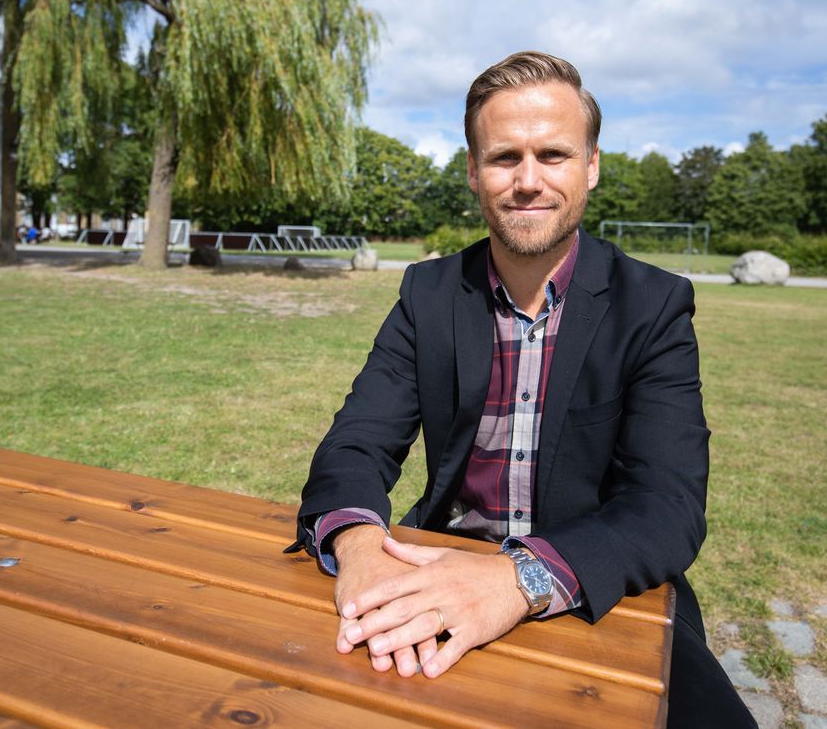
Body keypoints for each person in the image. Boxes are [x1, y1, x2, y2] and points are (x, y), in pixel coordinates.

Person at [291, 51, 752, 726]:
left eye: (554, 155)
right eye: (505, 157)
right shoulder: (429, 293)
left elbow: (666, 503)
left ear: (591, 165)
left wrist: (519, 579)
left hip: (600, 581)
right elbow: (356, 444)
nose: (528, 181)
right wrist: (360, 549)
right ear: (474, 173)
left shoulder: (652, 305)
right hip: (441, 564)